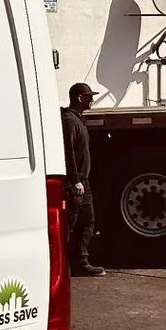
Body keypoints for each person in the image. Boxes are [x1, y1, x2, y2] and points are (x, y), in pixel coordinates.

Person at [61, 82, 106, 277]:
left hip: (83, 181)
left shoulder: (78, 119)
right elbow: (68, 152)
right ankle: (64, 264)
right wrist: (74, 180)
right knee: (71, 224)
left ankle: (81, 261)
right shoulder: (69, 121)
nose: (92, 100)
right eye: (89, 96)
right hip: (76, 182)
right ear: (80, 98)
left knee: (87, 221)